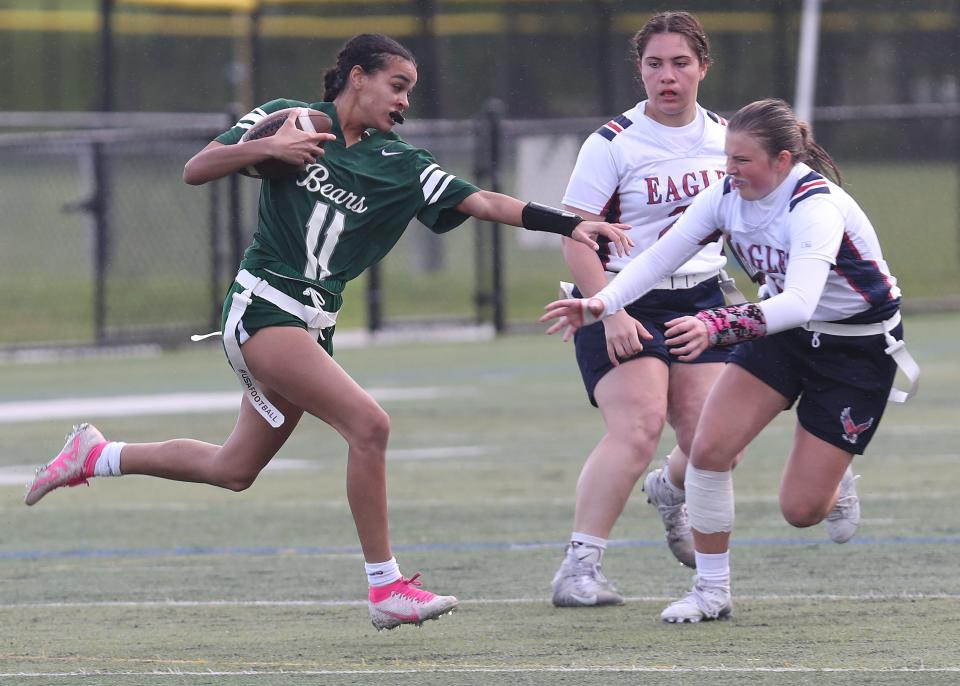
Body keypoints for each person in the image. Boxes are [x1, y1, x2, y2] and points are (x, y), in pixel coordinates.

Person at [23, 33, 632, 631]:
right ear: (357, 76)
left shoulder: (401, 162)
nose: (404, 102)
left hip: (311, 323)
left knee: (234, 468)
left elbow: (486, 203)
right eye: (397, 85)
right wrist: (270, 153)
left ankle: (98, 455)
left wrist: (571, 224)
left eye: (411, 92)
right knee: (370, 424)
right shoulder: (291, 119)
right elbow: (196, 168)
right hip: (265, 306)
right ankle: (386, 587)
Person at [542, 97, 919, 622]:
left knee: (801, 510)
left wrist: (716, 324)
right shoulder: (725, 192)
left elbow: (801, 301)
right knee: (709, 448)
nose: (729, 171)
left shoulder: (816, 206)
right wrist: (602, 302)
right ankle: (711, 592)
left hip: (853, 346)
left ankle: (834, 481)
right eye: (727, 158)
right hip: (781, 335)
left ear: (783, 161)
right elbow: (657, 257)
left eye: (743, 161)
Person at [550, 11, 744, 608]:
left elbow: (749, 220)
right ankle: (579, 569)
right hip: (622, 296)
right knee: (636, 428)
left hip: (702, 297)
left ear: (703, 67)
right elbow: (575, 234)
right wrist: (609, 311)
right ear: (639, 69)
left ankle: (672, 488)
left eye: (680, 63)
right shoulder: (612, 143)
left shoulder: (727, 137)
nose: (668, 76)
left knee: (715, 438)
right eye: (655, 64)